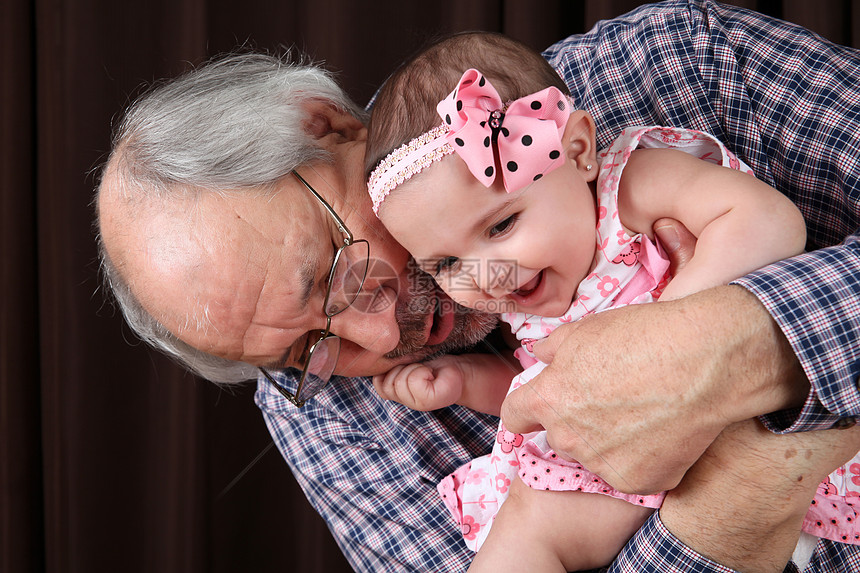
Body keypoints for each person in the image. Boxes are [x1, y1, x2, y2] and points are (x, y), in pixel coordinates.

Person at [94, 1, 860, 571]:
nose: (381, 337)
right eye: (307, 349)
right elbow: (538, 398)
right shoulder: (328, 422)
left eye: (333, 271)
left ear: (328, 123)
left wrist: (743, 340)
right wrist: (738, 487)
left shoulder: (666, 70)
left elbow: (754, 224)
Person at [362, 29, 858, 568]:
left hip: (749, 406)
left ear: (577, 152)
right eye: (448, 264)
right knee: (525, 527)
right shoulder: (521, 303)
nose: (488, 274)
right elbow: (551, 394)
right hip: (627, 470)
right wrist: (466, 383)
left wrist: (671, 329)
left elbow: (767, 221)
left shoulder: (631, 190)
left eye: (502, 225)